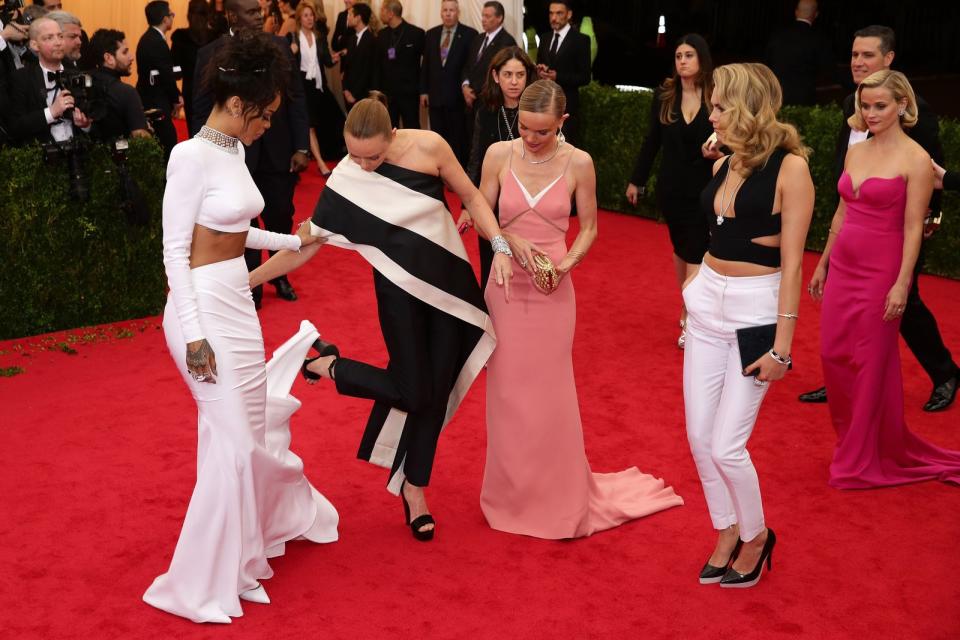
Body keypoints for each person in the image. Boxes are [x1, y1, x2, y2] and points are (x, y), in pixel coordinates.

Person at [249, 93, 516, 542]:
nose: (363, 165)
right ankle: (328, 366)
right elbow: (305, 244)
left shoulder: (430, 146)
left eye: (372, 156)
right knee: (413, 389)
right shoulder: (349, 177)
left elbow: (470, 194)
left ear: (393, 134)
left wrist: (501, 246)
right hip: (397, 292)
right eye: (353, 155)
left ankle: (415, 489)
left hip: (449, 285)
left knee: (435, 393)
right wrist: (248, 280)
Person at [143, 31, 338, 624]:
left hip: (237, 302)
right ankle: (199, 583)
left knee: (243, 437)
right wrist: (196, 334)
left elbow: (234, 233)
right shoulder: (190, 154)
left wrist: (294, 239)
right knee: (230, 439)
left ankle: (243, 561)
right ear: (238, 103)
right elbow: (176, 250)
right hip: (200, 307)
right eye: (268, 116)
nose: (269, 126)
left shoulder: (232, 150)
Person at [473, 79, 684, 539]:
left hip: (552, 291)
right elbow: (479, 208)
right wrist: (506, 243)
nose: (531, 138)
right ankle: (511, 494)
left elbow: (589, 227)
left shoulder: (579, 163)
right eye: (525, 128)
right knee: (507, 396)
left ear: (562, 123)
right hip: (505, 286)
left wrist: (565, 265)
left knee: (550, 398)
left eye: (542, 131)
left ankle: (557, 496)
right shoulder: (497, 154)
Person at [685, 63, 814, 588]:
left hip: (754, 311)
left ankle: (757, 537)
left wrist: (783, 348)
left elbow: (794, 263)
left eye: (719, 105)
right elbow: (715, 230)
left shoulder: (792, 169)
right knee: (697, 437)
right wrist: (693, 293)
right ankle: (726, 529)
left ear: (745, 107)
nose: (710, 113)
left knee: (726, 447)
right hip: (706, 306)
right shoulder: (729, 157)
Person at [808, 70, 960, 489]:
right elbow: (840, 213)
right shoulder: (857, 152)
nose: (871, 113)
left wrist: (901, 283)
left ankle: (858, 458)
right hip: (844, 267)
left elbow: (914, 227)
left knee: (871, 362)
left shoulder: (916, 159)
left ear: (902, 106)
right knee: (833, 355)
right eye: (866, 105)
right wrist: (823, 263)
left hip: (883, 270)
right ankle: (854, 440)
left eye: (880, 106)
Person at [798, 25, 957, 412]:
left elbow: (929, 173)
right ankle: (845, 378)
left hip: (897, 229)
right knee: (851, 310)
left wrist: (928, 221)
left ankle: (945, 373)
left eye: (867, 55)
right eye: (854, 54)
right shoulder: (851, 106)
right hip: (856, 221)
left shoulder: (917, 114)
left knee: (904, 303)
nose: (857, 62)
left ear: (888, 59)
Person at [193, 0, 311, 308]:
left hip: (278, 149)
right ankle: (251, 280)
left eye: (261, 12)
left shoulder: (280, 47)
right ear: (232, 15)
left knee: (280, 213)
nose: (260, 17)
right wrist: (207, 155)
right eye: (252, 12)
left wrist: (301, 145)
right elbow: (200, 109)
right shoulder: (210, 55)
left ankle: (279, 274)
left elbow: (297, 98)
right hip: (231, 155)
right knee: (242, 219)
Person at [626, 33, 714, 350]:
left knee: (695, 249)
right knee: (681, 250)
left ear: (702, 58)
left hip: (706, 188)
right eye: (678, 56)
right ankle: (688, 303)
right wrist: (637, 179)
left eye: (689, 55)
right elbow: (652, 141)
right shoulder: (665, 95)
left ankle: (693, 317)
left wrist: (721, 150)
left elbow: (732, 137)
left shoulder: (716, 96)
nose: (682, 61)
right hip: (672, 187)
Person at [466, 46, 535, 288]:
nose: (514, 82)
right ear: (496, 76)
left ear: (528, 76)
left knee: (527, 272)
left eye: (520, 75)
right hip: (491, 203)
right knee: (491, 271)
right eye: (507, 74)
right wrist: (469, 205)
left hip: (529, 204)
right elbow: (476, 158)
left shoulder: (537, 110)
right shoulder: (486, 109)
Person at [8, 17, 92, 145]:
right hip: (40, 158)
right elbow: (15, 127)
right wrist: (51, 112)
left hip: (78, 155)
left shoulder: (79, 76)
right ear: (34, 45)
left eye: (60, 36)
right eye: (49, 38)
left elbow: (97, 125)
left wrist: (85, 125)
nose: (58, 42)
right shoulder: (21, 78)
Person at [420, 0, 477, 166]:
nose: (448, 13)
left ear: (458, 12)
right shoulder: (431, 34)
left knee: (457, 138)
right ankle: (439, 169)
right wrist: (423, 91)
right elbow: (426, 66)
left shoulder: (469, 34)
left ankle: (457, 173)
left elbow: (471, 66)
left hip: (458, 98)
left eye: (452, 10)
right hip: (435, 97)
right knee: (438, 137)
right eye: (445, 10)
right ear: (441, 12)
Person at [289, 0, 343, 174]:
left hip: (318, 86)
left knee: (333, 119)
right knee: (310, 125)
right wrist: (292, 52)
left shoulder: (319, 37)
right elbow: (288, 63)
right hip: (301, 85)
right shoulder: (294, 37)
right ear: (299, 18)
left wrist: (335, 59)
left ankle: (321, 155)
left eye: (311, 15)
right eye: (305, 15)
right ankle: (321, 163)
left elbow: (326, 61)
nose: (310, 18)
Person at [461, 1, 515, 157]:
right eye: (482, 15)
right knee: (472, 143)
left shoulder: (507, 41)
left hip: (490, 101)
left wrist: (476, 92)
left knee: (487, 146)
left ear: (499, 18)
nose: (483, 19)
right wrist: (465, 87)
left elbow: (498, 73)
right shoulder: (478, 39)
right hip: (470, 101)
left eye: (488, 16)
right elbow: (467, 66)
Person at [534, 1, 591, 146]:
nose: (554, 17)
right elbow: (540, 63)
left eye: (559, 13)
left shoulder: (581, 40)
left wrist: (557, 77)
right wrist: (540, 70)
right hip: (544, 105)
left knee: (565, 150)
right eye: (551, 13)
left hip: (567, 107)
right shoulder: (545, 38)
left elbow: (585, 77)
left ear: (569, 14)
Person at [764, 0, 832, 106]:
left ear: (796, 12)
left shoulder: (777, 35)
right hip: (803, 99)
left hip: (775, 95)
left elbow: (766, 64)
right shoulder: (819, 39)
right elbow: (828, 69)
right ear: (816, 14)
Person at [136, 1, 182, 161]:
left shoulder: (151, 38)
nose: (173, 17)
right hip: (155, 100)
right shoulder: (155, 41)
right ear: (165, 19)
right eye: (171, 14)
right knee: (168, 142)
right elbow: (166, 75)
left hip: (152, 96)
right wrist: (176, 99)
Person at [88, 29, 151, 142]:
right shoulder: (127, 92)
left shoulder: (83, 83)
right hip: (121, 157)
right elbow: (140, 137)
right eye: (125, 52)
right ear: (108, 58)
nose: (131, 57)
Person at [377, 0, 424, 129]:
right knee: (389, 130)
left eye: (382, 10)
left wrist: (423, 90)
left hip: (409, 94)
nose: (380, 13)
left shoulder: (417, 34)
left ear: (390, 13)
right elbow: (378, 66)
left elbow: (425, 65)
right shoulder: (381, 35)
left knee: (412, 128)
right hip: (388, 95)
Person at [173, 0, 214, 136]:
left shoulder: (180, 38)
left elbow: (176, 69)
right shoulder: (215, 37)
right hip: (213, 88)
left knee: (194, 129)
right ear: (208, 15)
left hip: (190, 89)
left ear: (188, 16)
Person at [340, 1, 377, 111]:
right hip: (349, 95)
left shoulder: (372, 41)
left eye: (351, 14)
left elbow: (368, 71)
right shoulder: (351, 40)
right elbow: (346, 68)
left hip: (364, 96)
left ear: (358, 17)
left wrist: (354, 95)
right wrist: (345, 90)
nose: (348, 18)